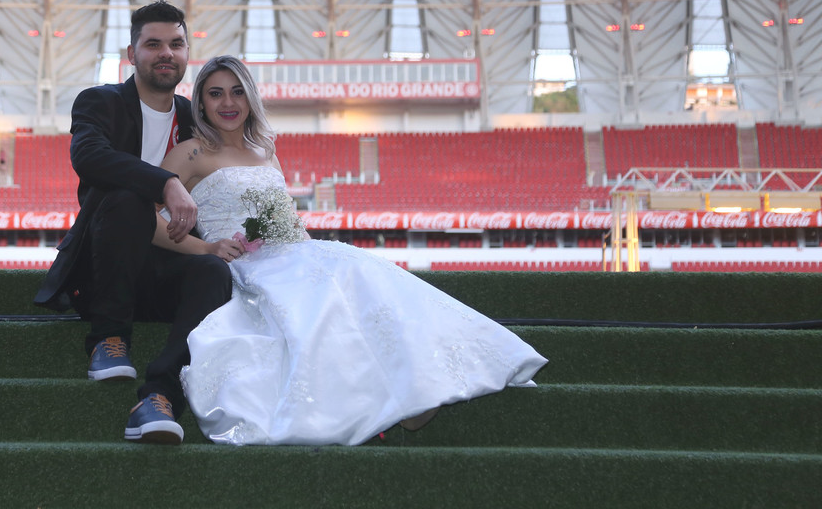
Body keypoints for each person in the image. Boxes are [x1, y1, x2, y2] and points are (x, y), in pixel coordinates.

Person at [157, 55, 548, 446]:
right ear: (201, 102)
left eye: (238, 92)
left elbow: (283, 217)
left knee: (357, 270)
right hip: (247, 267)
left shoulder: (266, 152)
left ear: (250, 98)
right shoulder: (191, 153)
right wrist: (206, 248)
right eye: (216, 94)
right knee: (319, 302)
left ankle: (417, 381)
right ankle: (384, 398)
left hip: (293, 253)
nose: (228, 102)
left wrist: (306, 249)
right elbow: (149, 221)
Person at [34, 2, 243, 445]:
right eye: (153, 44)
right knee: (128, 198)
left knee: (212, 271)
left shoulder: (194, 116)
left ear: (186, 53)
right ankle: (108, 338)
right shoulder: (101, 102)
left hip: (168, 265)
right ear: (132, 54)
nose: (166, 53)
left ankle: (158, 397)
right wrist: (165, 182)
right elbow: (90, 157)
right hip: (106, 267)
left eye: (176, 44)